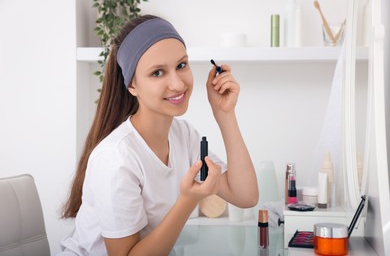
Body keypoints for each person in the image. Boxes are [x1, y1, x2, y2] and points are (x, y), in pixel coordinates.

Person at [59, 14, 258, 255]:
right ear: (132, 85)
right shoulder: (116, 158)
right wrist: (187, 200)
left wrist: (224, 114)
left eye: (181, 65)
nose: (177, 83)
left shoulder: (183, 135)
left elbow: (245, 196)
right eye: (157, 73)